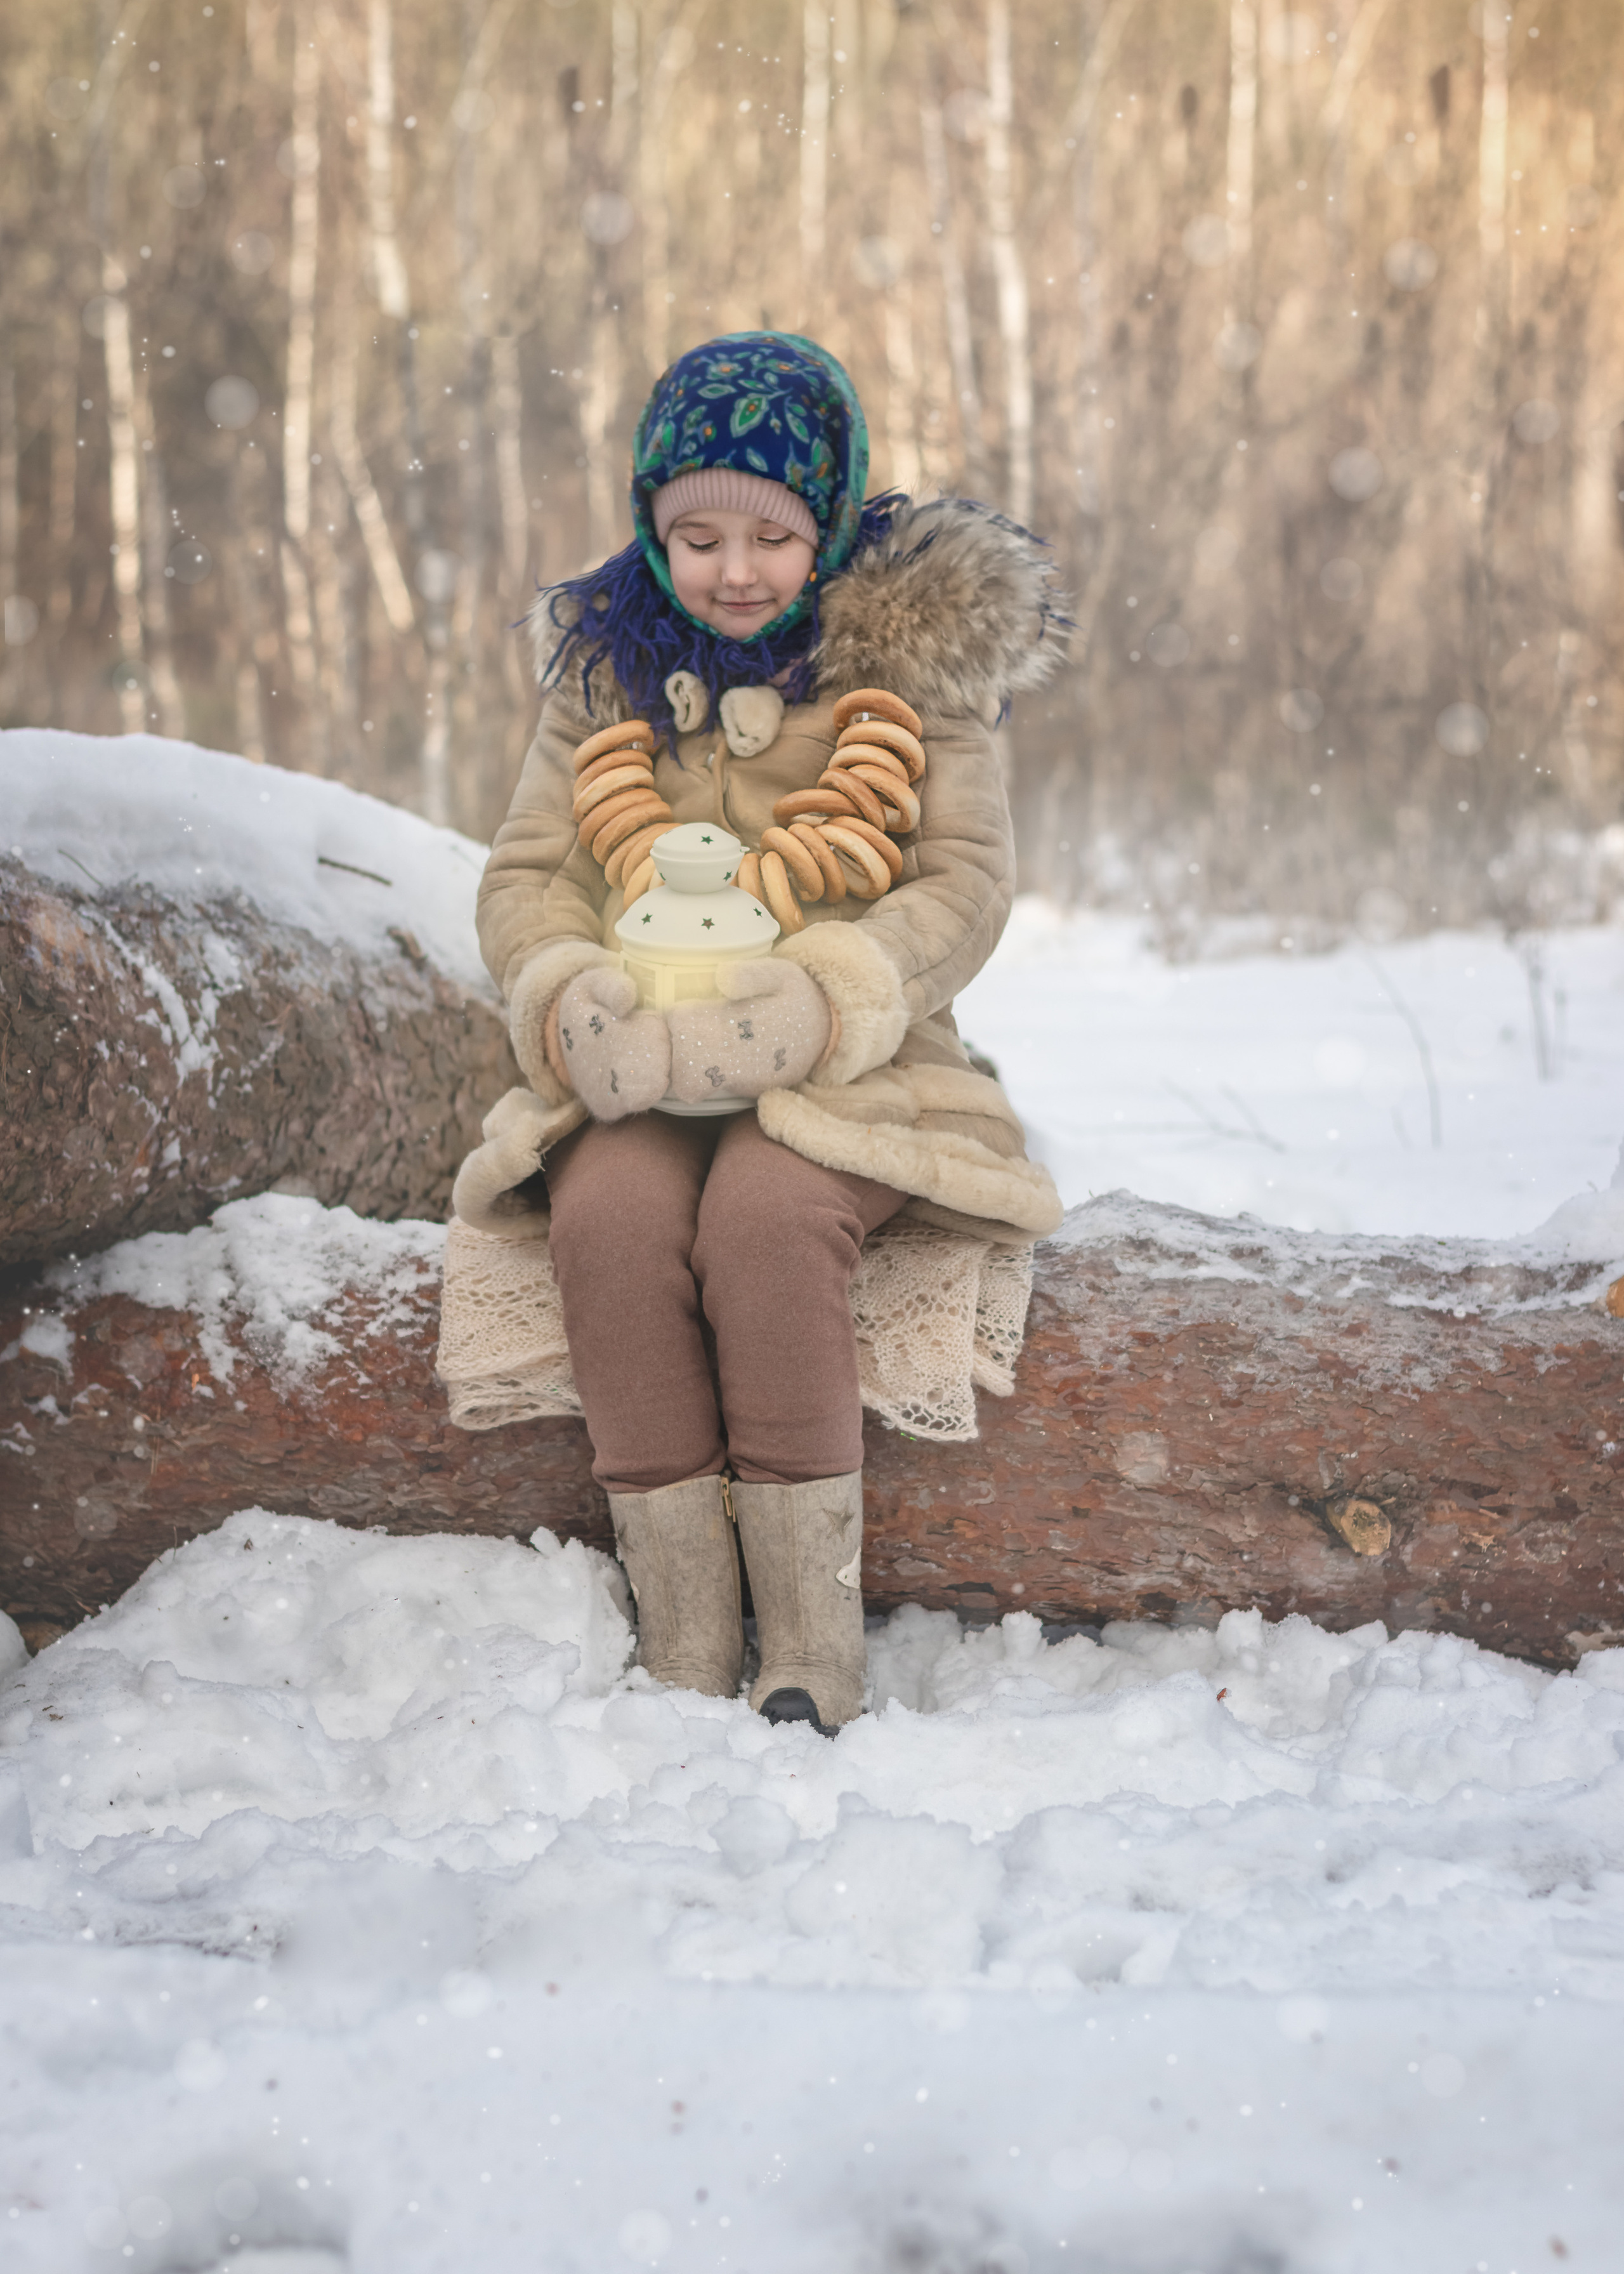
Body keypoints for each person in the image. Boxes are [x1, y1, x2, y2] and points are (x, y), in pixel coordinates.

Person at [469, 331, 1064, 1735]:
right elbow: (530, 874)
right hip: (645, 1064)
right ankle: (685, 1628)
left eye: (771, 537)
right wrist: (568, 992)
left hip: (860, 1070)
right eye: (697, 539)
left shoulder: (913, 666)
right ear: (650, 529)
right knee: (609, 1219)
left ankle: (806, 1638)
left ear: (830, 524)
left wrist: (828, 993)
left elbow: (961, 886)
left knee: (764, 1218)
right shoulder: (607, 672)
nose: (734, 571)